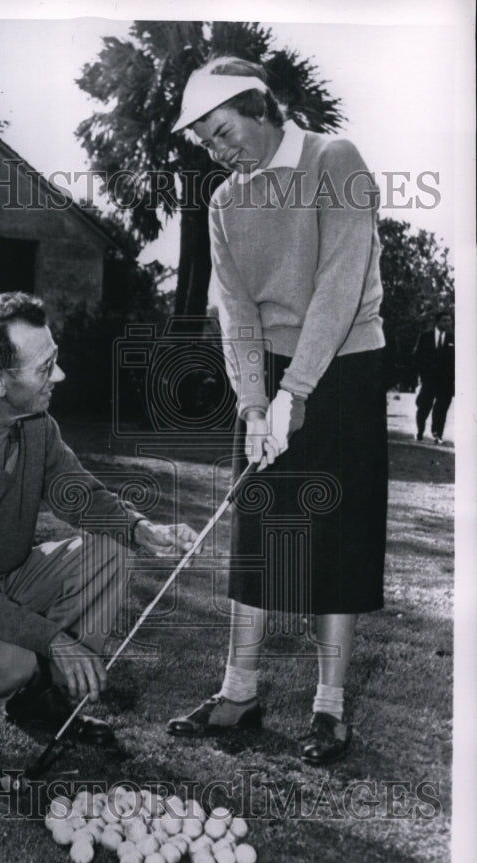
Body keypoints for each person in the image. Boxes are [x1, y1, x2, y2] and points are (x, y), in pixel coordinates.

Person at [165, 57, 388, 764]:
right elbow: (234, 310)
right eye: (206, 142)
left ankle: (329, 709)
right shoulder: (225, 203)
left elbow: (340, 281)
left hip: (346, 363)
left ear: (260, 108)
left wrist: (299, 392)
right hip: (269, 378)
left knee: (337, 537)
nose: (219, 149)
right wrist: (255, 403)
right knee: (257, 536)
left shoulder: (335, 158)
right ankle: (238, 694)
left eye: (224, 131)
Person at [0, 292, 197, 742]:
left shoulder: (35, 421)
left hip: (3, 575)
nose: (59, 375)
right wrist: (54, 640)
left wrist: (140, 529)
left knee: (111, 551)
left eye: (55, 360)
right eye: (45, 368)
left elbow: (77, 492)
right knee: (13, 662)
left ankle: (43, 700)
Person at [414, 310, 455, 444]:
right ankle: (420, 430)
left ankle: (437, 433)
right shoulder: (425, 337)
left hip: (446, 382)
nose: (448, 323)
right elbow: (418, 358)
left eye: (449, 320)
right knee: (424, 407)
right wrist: (421, 376)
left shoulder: (453, 339)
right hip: (429, 380)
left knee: (441, 409)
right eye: (445, 320)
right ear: (437, 322)